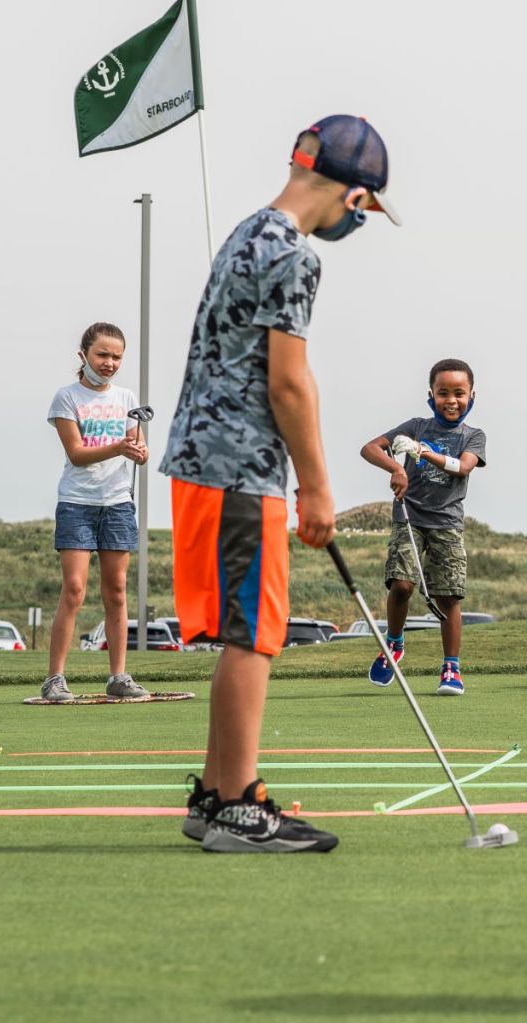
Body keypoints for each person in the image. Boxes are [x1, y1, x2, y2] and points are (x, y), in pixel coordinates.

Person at [159, 114, 400, 853]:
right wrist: (317, 488)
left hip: (200, 463)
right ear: (354, 197)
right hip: (241, 468)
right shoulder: (296, 255)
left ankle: (214, 790)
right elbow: (289, 382)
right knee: (254, 635)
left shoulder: (244, 232)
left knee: (240, 630)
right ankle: (236, 806)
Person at [360, 359, 486, 696]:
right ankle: (394, 645)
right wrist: (395, 468)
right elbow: (370, 448)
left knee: (448, 597)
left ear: (471, 395)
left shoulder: (473, 436)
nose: (451, 399)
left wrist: (421, 453)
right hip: (409, 517)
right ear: (431, 394)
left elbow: (462, 468)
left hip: (446, 524)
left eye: (458, 393)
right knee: (401, 586)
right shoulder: (416, 426)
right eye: (443, 392)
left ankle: (451, 669)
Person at [41, 322, 150, 703]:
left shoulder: (126, 397)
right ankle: (55, 679)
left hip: (118, 503)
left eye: (117, 356)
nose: (110, 363)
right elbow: (77, 454)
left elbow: (139, 446)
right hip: (77, 503)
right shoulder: (66, 397)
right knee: (73, 590)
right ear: (83, 355)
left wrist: (138, 450)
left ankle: (119, 677)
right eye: (102, 354)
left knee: (117, 593)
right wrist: (121, 447)